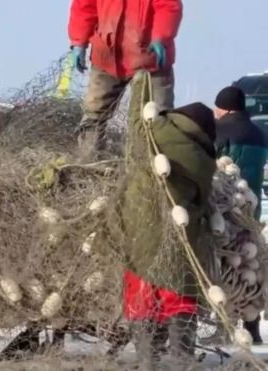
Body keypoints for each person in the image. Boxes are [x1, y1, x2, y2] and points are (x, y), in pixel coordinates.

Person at [67, 0, 183, 156]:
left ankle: (151, 167)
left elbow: (169, 8)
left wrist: (161, 37)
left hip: (150, 60)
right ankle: (88, 163)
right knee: (93, 115)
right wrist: (79, 42)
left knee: (156, 118)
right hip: (107, 57)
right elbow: (83, 6)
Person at [121, 88, 215, 369]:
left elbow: (135, 116)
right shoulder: (203, 160)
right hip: (179, 241)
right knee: (179, 298)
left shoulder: (152, 133)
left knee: (141, 298)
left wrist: (141, 77)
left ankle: (146, 362)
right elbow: (203, 201)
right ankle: (181, 361)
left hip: (138, 233)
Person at [213, 85, 267, 344]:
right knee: (251, 266)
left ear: (225, 108)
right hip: (251, 209)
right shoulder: (259, 133)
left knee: (225, 268)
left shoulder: (219, 131)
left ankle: (223, 328)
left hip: (226, 209)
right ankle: (252, 327)